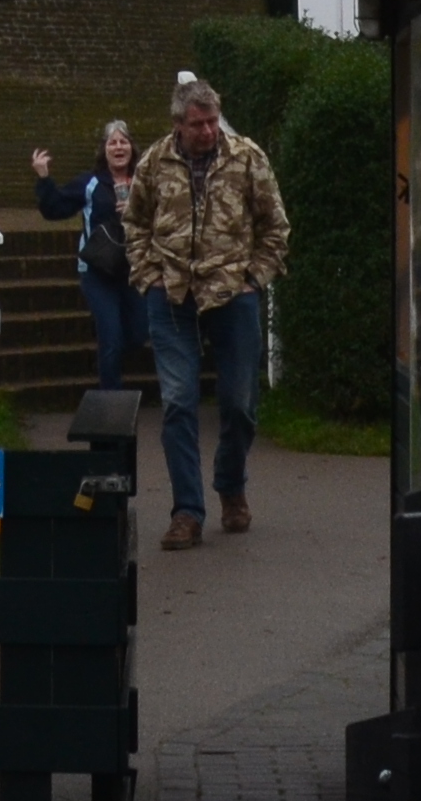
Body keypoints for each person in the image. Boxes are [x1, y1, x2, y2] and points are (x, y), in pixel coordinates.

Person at [124, 72, 288, 550]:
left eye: (213, 121)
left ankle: (230, 484)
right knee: (177, 403)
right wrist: (147, 274)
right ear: (179, 123)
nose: (209, 132)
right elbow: (134, 223)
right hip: (170, 295)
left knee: (239, 402)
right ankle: (187, 513)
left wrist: (255, 277)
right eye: (198, 124)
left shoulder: (247, 158)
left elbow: (275, 225)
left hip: (233, 294)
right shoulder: (154, 163)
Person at [27, 120, 139, 396]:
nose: (118, 147)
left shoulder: (145, 181)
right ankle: (111, 404)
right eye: (112, 142)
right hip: (97, 271)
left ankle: (111, 362)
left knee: (138, 334)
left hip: (135, 271)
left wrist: (137, 209)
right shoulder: (89, 183)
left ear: (132, 148)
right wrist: (44, 178)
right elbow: (55, 208)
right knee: (110, 340)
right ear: (104, 149)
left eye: (123, 141)